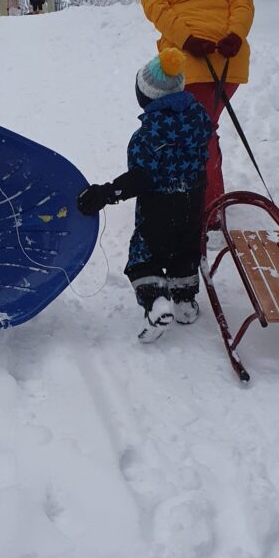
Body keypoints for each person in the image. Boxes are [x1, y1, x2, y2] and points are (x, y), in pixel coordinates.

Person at [76, 48, 212, 342]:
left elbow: (141, 179)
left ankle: (156, 302)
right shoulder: (199, 119)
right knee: (185, 250)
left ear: (148, 98)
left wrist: (106, 193)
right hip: (194, 200)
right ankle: (185, 302)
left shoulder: (146, 136)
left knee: (143, 257)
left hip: (159, 209)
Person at [140, 0, 254, 227]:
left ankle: (205, 208)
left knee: (195, 134)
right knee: (203, 129)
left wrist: (186, 39)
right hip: (229, 62)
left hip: (188, 63)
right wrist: (234, 35)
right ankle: (201, 200)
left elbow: (156, 9)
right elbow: (243, 3)